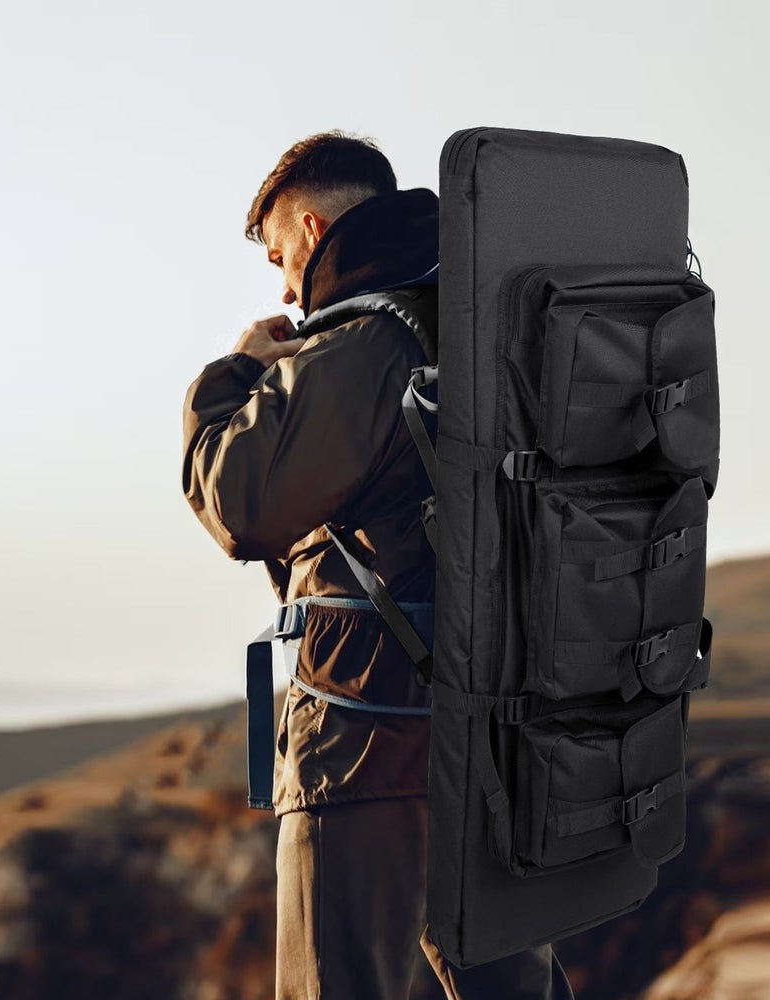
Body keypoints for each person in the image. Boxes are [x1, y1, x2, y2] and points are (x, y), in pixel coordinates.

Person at [180, 132, 575, 1000]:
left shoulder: (366, 341)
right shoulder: (494, 333)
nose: (285, 287)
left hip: (367, 742)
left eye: (283, 257)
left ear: (315, 228)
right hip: (496, 733)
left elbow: (239, 505)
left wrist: (235, 372)